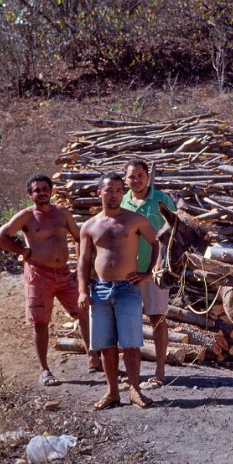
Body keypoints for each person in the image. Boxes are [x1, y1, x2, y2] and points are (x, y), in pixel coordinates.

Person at [0, 174, 100, 387]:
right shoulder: (26, 216)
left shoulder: (62, 213)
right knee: (40, 323)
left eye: (44, 188)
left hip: (63, 272)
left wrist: (81, 263)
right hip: (38, 275)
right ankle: (44, 370)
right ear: (30, 194)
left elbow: (79, 237)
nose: (41, 192)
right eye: (36, 190)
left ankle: (92, 356)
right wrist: (22, 250)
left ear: (51, 190)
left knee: (84, 311)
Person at [77, 172, 159, 410]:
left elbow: (157, 243)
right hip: (100, 290)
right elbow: (83, 260)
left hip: (127, 288)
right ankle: (113, 392)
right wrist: (83, 290)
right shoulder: (90, 226)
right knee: (105, 344)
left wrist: (149, 273)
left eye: (117, 191)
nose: (113, 195)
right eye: (108, 190)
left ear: (122, 194)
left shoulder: (134, 220)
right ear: (98, 193)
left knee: (131, 343)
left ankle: (135, 390)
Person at [122, 157, 177, 388]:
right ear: (125, 180)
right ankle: (132, 374)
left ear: (148, 176)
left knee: (157, 318)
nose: (136, 180)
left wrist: (160, 267)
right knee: (127, 322)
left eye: (140, 176)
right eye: (131, 177)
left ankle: (160, 370)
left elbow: (174, 232)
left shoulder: (162, 200)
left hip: (154, 271)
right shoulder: (122, 201)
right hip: (127, 272)